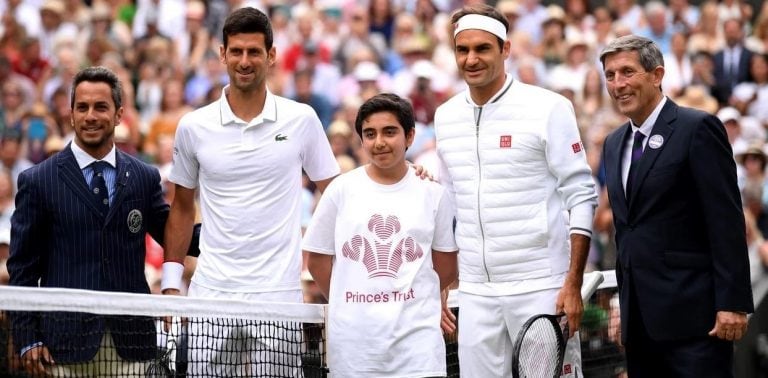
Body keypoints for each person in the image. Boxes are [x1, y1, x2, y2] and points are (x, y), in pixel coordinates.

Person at [160, 7, 340, 376]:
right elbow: (180, 208)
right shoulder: (193, 126)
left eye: (254, 52)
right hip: (211, 291)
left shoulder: (302, 119)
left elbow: (336, 194)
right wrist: (169, 285)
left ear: (271, 56)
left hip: (279, 294)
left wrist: (404, 173)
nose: (245, 61)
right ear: (222, 54)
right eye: (237, 51)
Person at [433, 4, 598, 377]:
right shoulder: (444, 116)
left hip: (541, 285)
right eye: (463, 50)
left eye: (482, 49)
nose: (471, 59)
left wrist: (571, 283)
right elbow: (448, 202)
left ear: (505, 50)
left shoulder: (549, 107)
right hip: (475, 292)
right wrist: (444, 282)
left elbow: (581, 195)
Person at [6, 66, 199, 376]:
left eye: (100, 107)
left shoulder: (143, 177)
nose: (90, 116)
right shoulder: (38, 181)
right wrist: (29, 339)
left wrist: (231, 236)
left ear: (119, 114)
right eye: (82, 107)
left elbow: (174, 234)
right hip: (63, 346)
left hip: (132, 343)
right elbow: (22, 268)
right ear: (71, 114)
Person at [599, 35, 753, 376]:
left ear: (657, 75)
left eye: (627, 72)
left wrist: (732, 303)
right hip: (640, 326)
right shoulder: (613, 144)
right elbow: (628, 233)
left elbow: (725, 219)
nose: (618, 84)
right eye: (610, 75)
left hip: (697, 322)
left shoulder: (696, 127)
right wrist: (621, 305)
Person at [303, 93, 458, 377]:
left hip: (418, 351)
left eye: (390, 132)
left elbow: (446, 267)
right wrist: (348, 302)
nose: (379, 142)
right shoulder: (340, 190)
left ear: (410, 135)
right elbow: (316, 260)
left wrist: (416, 299)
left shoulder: (434, 193)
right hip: (353, 351)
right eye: (370, 133)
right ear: (361, 140)